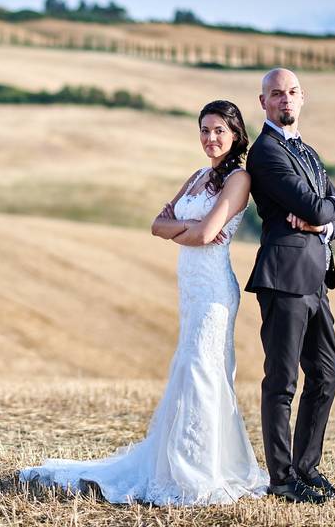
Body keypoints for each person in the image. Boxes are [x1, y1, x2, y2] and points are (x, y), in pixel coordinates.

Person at [19, 100, 269, 505]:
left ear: (237, 134)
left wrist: (185, 228)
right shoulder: (197, 177)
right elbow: (157, 225)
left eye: (219, 130)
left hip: (214, 290)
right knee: (188, 369)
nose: (210, 138)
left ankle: (200, 469)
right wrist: (186, 227)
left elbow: (206, 237)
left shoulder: (238, 180)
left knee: (202, 371)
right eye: (204, 130)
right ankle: (174, 462)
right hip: (190, 287)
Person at [245, 68, 335, 503]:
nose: (284, 100)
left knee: (327, 374)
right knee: (282, 382)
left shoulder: (306, 151)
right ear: (263, 102)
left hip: (316, 280)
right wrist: (325, 210)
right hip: (284, 278)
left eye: (291, 93)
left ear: (302, 97)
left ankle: (307, 469)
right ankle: (283, 479)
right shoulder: (266, 153)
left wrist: (323, 220)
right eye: (276, 94)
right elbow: (316, 203)